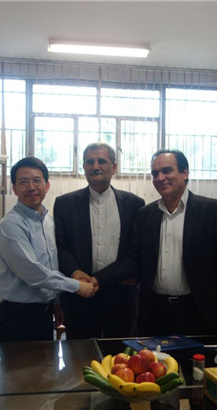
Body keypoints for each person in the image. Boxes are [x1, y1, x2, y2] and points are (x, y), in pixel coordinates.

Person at [132, 149, 217, 336]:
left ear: (185, 173)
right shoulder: (145, 214)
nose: (160, 178)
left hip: (198, 311)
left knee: (199, 356)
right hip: (155, 312)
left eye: (167, 170)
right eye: (155, 173)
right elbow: (135, 258)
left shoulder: (213, 211)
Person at [0, 157, 96, 342]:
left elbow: (52, 265)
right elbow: (33, 273)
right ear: (14, 188)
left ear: (46, 185)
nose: (31, 187)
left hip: (44, 313)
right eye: (23, 182)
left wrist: (56, 302)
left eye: (36, 180)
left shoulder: (49, 221)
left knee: (43, 361)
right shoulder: (10, 226)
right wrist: (77, 286)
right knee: (18, 362)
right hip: (16, 316)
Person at [53, 143, 144, 339]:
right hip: (79, 296)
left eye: (102, 161)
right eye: (90, 162)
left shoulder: (134, 204)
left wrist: (98, 280)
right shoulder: (64, 204)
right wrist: (76, 273)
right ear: (83, 167)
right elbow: (61, 247)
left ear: (114, 167)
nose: (95, 166)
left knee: (120, 352)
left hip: (121, 294)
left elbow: (135, 252)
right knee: (80, 353)